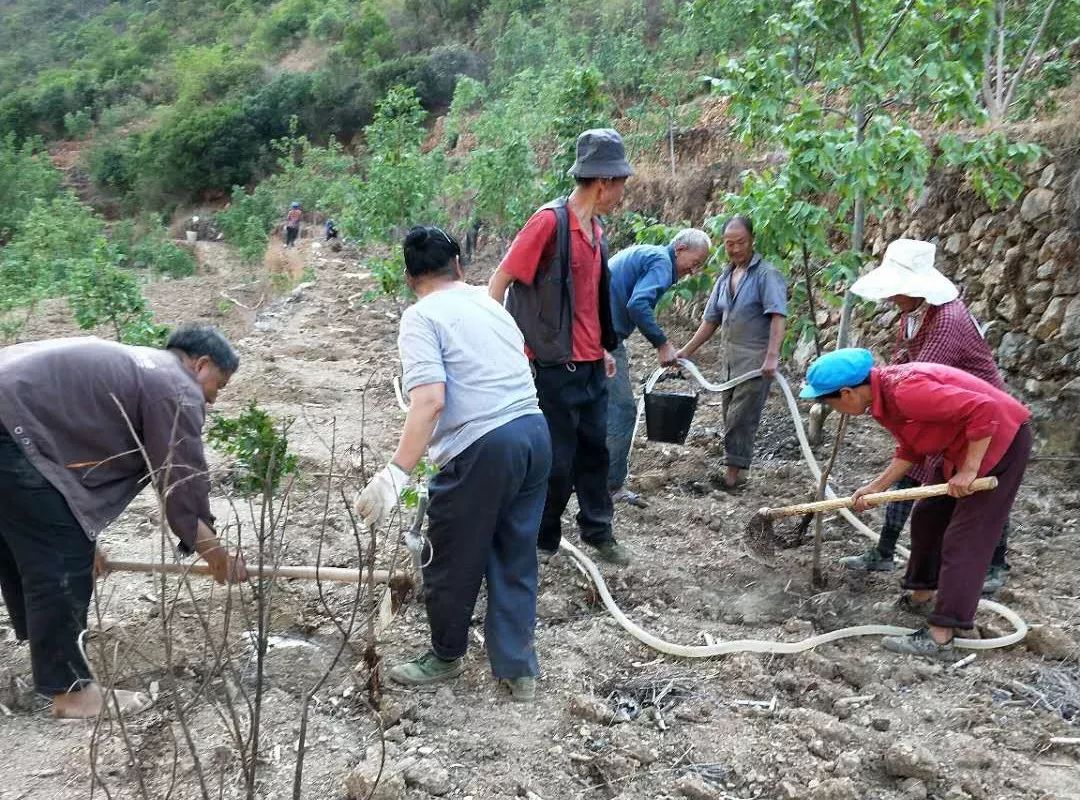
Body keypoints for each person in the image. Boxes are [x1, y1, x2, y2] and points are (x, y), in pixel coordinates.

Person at [0, 325, 246, 719]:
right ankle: (71, 693)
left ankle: (48, 649)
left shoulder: (139, 369)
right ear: (200, 365)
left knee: (32, 539)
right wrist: (213, 551)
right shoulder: (175, 386)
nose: (214, 398)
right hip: (11, 424)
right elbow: (180, 478)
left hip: (13, 420)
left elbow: (58, 461)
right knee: (59, 559)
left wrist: (84, 539)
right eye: (220, 384)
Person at [357, 226, 552, 702]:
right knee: (514, 551)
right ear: (459, 266)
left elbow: (429, 402)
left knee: (448, 553)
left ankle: (446, 655)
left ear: (409, 278)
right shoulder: (490, 304)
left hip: (486, 446)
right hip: (534, 432)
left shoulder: (421, 317)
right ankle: (518, 670)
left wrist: (395, 474)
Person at [800, 349, 1031, 661]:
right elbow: (911, 447)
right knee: (928, 517)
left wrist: (969, 469)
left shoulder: (906, 391)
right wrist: (875, 487)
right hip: (961, 445)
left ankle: (942, 635)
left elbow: (983, 409)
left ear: (847, 393)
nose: (830, 408)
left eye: (829, 402)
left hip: (999, 442)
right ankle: (922, 594)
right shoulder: (884, 399)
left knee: (965, 539)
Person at [488, 128, 631, 566]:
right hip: (553, 368)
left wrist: (604, 347)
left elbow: (587, 301)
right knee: (557, 460)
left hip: (590, 365)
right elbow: (501, 280)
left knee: (595, 452)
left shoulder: (597, 232)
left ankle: (598, 531)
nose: (622, 194)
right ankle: (543, 538)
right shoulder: (549, 223)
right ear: (603, 182)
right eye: (621, 184)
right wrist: (496, 346)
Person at [838, 239, 1012, 593]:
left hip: (979, 412)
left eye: (896, 289)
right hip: (944, 409)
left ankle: (996, 564)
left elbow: (923, 374)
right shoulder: (913, 315)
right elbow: (904, 364)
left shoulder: (947, 319)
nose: (890, 297)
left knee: (980, 483)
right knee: (912, 465)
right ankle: (886, 550)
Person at [676, 215, 787, 491]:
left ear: (752, 241)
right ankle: (735, 469)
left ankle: (733, 476)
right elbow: (711, 320)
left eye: (741, 242)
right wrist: (686, 351)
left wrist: (772, 355)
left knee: (741, 417)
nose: (736, 249)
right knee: (730, 415)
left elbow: (777, 316)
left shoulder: (766, 275)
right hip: (729, 362)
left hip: (755, 362)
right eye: (729, 244)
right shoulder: (725, 277)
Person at [606, 228, 712, 508]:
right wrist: (662, 344)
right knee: (623, 412)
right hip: (601, 339)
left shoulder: (650, 255)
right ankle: (611, 486)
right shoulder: (662, 264)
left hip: (590, 331)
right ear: (679, 248)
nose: (694, 270)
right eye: (696, 261)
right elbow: (638, 304)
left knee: (592, 407)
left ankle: (580, 475)